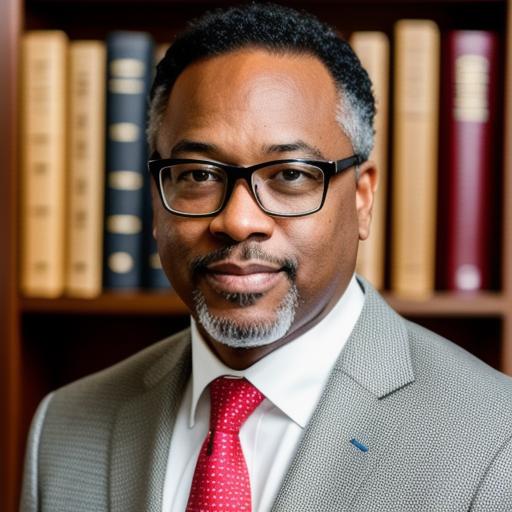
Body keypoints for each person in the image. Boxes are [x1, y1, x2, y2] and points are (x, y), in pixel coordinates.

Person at [20, 4, 512, 511]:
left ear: (363, 198)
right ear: (155, 198)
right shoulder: (62, 429)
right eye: (198, 175)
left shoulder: (495, 443)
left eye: (291, 175)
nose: (238, 221)